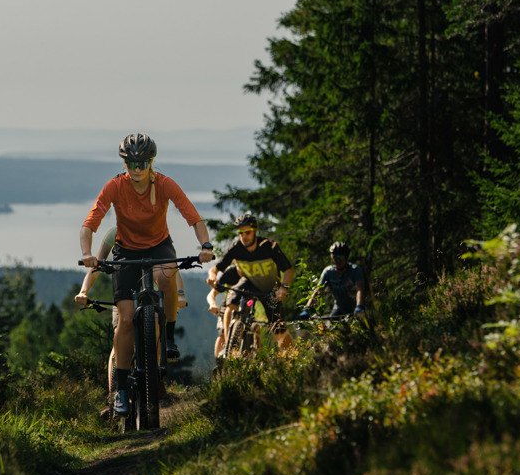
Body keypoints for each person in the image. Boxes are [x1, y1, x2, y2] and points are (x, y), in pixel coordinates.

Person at [80, 133, 213, 417]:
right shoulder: (115, 186)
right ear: (125, 163)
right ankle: (121, 391)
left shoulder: (164, 184)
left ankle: (168, 334)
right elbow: (90, 224)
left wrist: (206, 246)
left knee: (166, 277)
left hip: (159, 247)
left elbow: (193, 217)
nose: (137, 168)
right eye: (131, 163)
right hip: (125, 252)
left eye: (142, 162)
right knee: (125, 321)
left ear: (151, 162)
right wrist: (88, 252)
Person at [75, 226, 188, 419]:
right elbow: (97, 265)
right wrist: (84, 291)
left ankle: (155, 374)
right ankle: (114, 395)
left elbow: (171, 269)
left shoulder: (155, 228)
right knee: (121, 334)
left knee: (156, 323)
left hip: (148, 295)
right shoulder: (114, 234)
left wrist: (179, 294)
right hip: (124, 296)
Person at [204, 213, 295, 353]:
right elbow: (215, 268)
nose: (244, 236)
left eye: (248, 232)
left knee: (279, 330)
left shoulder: (269, 247)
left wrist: (283, 287)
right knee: (230, 305)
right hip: (249, 283)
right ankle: (230, 348)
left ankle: (292, 355)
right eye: (241, 233)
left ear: (255, 231)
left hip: (270, 287)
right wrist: (212, 276)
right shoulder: (236, 248)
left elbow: (288, 270)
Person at [299, 241, 368, 318]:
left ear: (347, 257)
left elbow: (360, 289)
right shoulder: (328, 272)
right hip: (339, 308)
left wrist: (359, 306)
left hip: (356, 308)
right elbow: (318, 291)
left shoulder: (355, 270)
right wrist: (307, 309)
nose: (338, 260)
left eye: (341, 257)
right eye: (335, 257)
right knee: (330, 327)